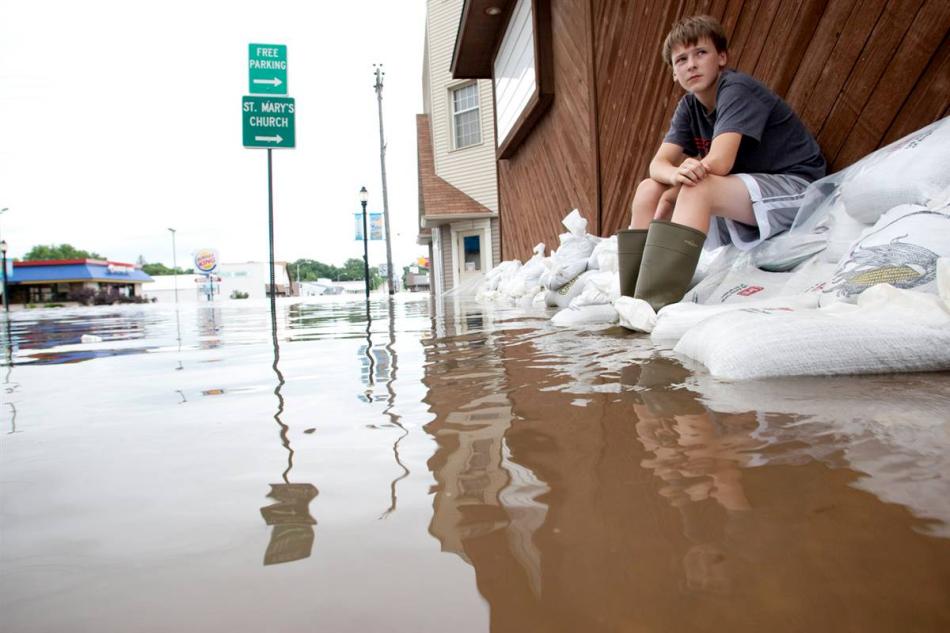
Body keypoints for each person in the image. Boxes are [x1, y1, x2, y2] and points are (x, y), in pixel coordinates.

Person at [618, 15, 826, 313]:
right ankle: (632, 299)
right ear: (674, 74)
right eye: (681, 60)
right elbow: (658, 165)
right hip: (747, 194)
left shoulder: (736, 89)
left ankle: (655, 303)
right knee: (648, 189)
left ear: (721, 58)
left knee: (697, 188)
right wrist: (673, 178)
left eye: (700, 53)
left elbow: (719, 162)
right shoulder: (689, 108)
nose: (691, 64)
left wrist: (673, 193)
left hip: (797, 187)